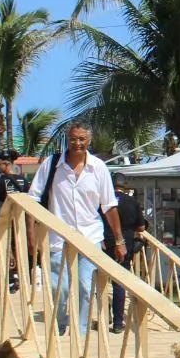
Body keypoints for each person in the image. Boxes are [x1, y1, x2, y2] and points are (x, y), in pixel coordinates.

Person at [28, 123, 125, 336]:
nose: (77, 143)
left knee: (85, 286)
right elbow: (32, 200)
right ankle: (59, 326)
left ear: (89, 141)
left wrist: (119, 240)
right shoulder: (51, 165)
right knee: (58, 288)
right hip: (57, 237)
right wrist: (31, 236)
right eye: (73, 138)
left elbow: (109, 206)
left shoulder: (98, 167)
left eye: (82, 139)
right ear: (67, 139)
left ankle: (80, 332)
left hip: (89, 236)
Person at [105, 172, 148, 333]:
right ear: (125, 185)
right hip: (125, 246)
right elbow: (141, 227)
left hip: (103, 244)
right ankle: (118, 322)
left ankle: (103, 314)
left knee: (98, 281)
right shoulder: (132, 202)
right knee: (119, 284)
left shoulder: (103, 201)